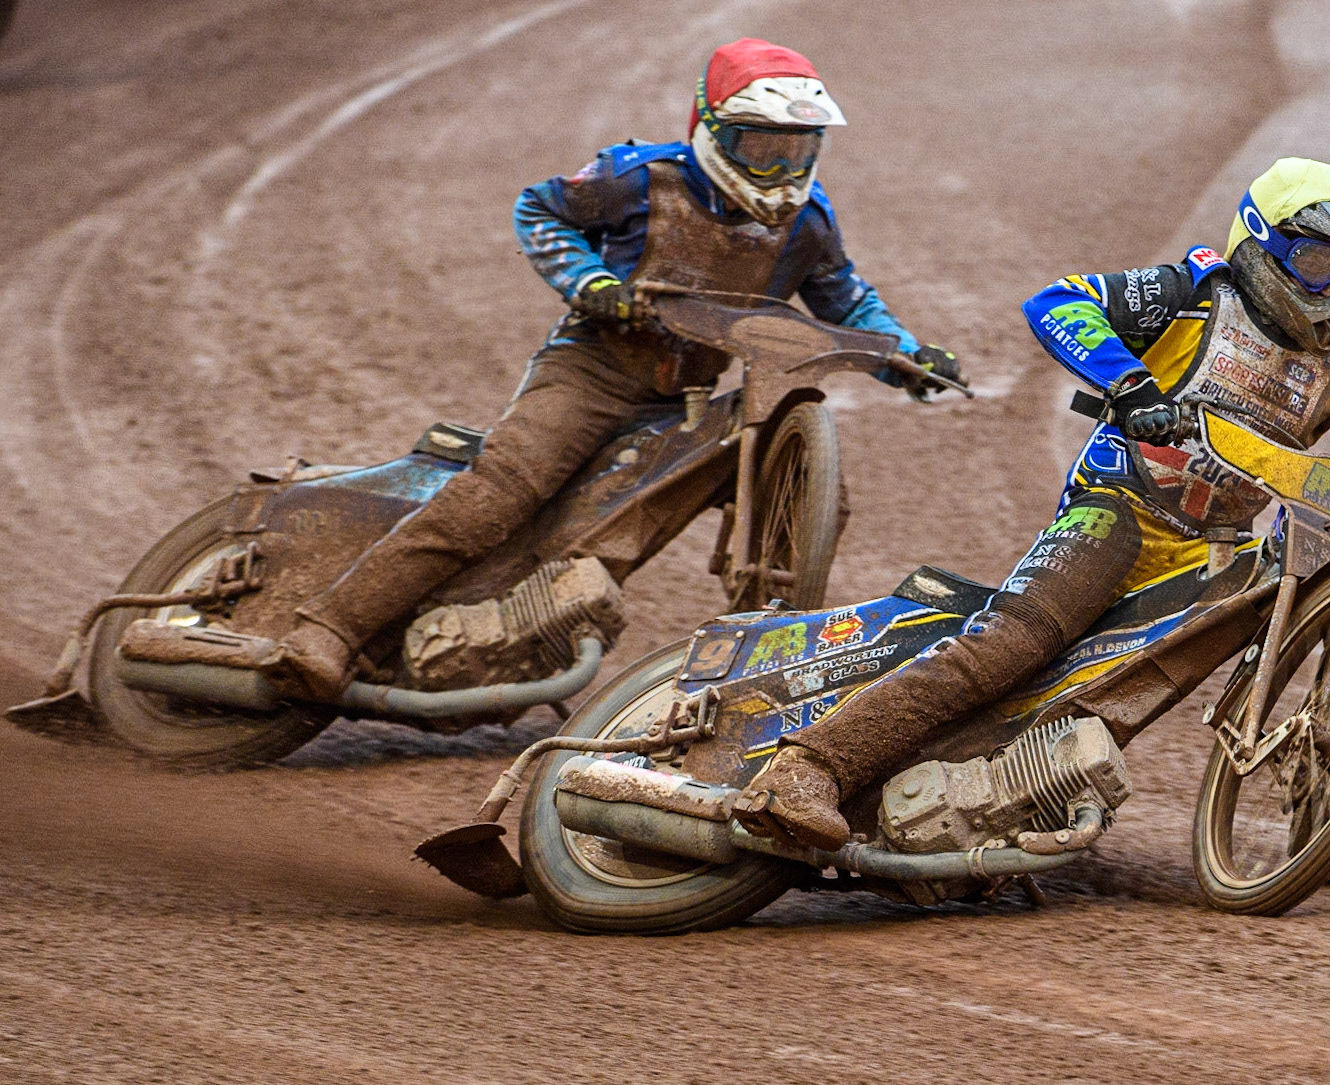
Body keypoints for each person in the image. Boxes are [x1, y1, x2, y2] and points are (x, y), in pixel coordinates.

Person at [735, 157, 1330, 853]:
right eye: (1317, 265)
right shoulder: (1193, 293)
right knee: (1012, 644)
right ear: (1258, 242)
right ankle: (806, 768)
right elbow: (1057, 301)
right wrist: (1134, 386)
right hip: (1114, 511)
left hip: (1221, 549)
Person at [258, 38, 960, 699]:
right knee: (502, 494)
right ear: (712, 131)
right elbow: (539, 208)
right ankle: (330, 627)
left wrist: (907, 357)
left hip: (684, 400)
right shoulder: (638, 177)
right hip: (589, 372)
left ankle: (747, 676)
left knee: (806, 488)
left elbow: (847, 301)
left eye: (796, 149)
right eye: (761, 147)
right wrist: (590, 283)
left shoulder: (806, 221)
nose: (778, 169)